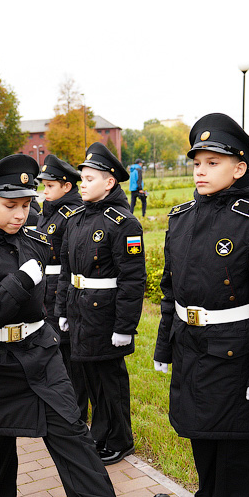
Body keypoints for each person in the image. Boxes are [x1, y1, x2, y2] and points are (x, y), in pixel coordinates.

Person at [0, 153, 173, 497]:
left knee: (71, 432)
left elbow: (50, 295)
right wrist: (20, 281)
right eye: (10, 206)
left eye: (26, 204)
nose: (20, 214)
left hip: (38, 355)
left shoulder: (35, 240)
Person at [152, 113, 249, 497]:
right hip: (191, 344)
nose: (201, 170)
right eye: (197, 163)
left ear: (240, 168)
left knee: (235, 454)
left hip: (236, 352)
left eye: (214, 161)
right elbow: (170, 290)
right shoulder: (182, 217)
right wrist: (165, 345)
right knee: (202, 444)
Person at [56, 142, 147, 465]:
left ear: (109, 182)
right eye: (82, 177)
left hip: (105, 315)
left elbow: (133, 280)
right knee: (91, 378)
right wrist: (63, 311)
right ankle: (101, 433)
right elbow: (67, 270)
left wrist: (125, 327)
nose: (83, 183)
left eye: (90, 178)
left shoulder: (123, 223)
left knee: (111, 382)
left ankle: (120, 439)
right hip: (80, 309)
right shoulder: (77, 219)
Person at [35, 154, 83, 387]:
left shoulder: (71, 214)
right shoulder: (50, 211)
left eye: (50, 186)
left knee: (66, 351)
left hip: (60, 288)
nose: (45, 191)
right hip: (46, 287)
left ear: (67, 186)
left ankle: (76, 407)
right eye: (44, 186)